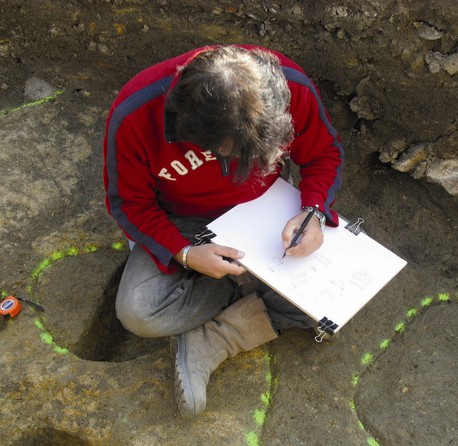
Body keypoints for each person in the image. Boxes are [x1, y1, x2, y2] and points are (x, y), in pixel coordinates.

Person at [103, 45, 343, 417]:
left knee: (335, 305)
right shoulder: (135, 115)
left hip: (269, 212)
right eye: (236, 155)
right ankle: (255, 293)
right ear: (190, 133)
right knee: (139, 312)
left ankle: (213, 340)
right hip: (184, 220)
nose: (243, 166)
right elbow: (129, 204)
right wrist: (184, 253)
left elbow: (324, 154)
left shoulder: (287, 86)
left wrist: (312, 210)